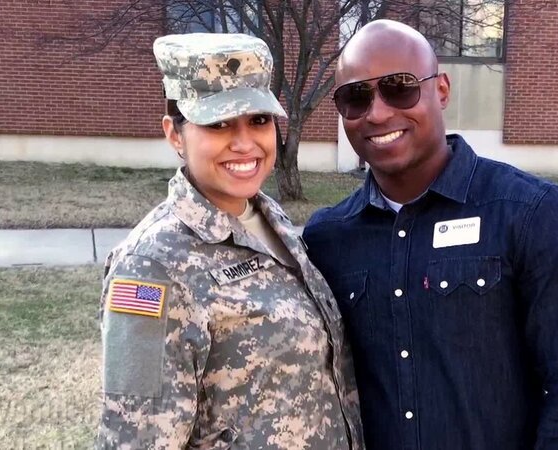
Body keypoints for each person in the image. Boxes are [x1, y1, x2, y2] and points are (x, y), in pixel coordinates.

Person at [303, 20, 558, 450]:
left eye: (400, 87)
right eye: (355, 98)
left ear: (442, 89)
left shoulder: (530, 214)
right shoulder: (327, 240)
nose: (377, 113)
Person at [96, 33, 363, 449]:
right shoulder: (151, 266)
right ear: (174, 133)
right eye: (217, 124)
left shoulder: (269, 218)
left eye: (258, 120)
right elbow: (136, 440)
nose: (244, 143)